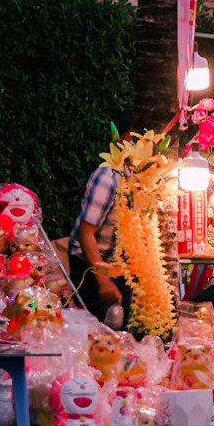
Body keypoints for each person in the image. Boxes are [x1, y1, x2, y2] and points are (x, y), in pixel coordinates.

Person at [68, 123, 132, 327]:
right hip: (91, 265)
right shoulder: (107, 178)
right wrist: (102, 281)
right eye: (134, 138)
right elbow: (85, 234)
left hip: (116, 266)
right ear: (122, 139)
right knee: (98, 337)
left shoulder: (131, 175)